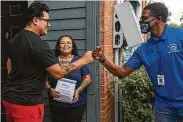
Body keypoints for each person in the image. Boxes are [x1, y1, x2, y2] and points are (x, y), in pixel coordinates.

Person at [2, 2, 93, 122]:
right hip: (26, 104)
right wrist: (84, 60)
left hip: (9, 98)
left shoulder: (15, 39)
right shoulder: (38, 44)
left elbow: (9, 65)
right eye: (46, 21)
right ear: (35, 20)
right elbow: (59, 73)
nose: (48, 24)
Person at [92, 2, 183, 122]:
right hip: (163, 107)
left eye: (144, 18)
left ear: (158, 19)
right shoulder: (143, 49)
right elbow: (122, 72)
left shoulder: (179, 35)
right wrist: (103, 59)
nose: (141, 22)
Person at [46, 35, 91, 122]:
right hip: (56, 104)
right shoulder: (52, 61)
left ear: (72, 46)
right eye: (62, 43)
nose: (66, 45)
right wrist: (50, 89)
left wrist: (78, 90)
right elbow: (45, 80)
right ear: (58, 47)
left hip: (76, 104)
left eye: (68, 43)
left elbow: (87, 78)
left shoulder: (79, 61)